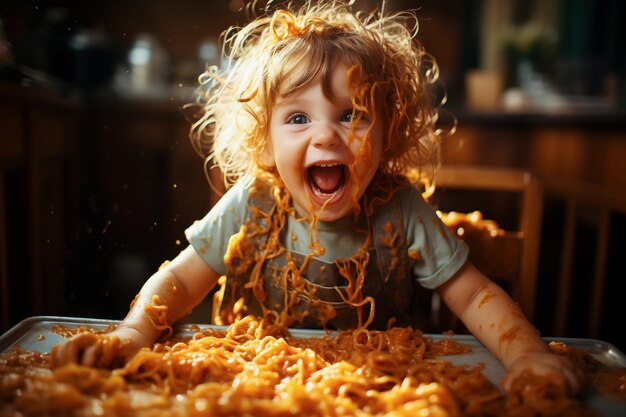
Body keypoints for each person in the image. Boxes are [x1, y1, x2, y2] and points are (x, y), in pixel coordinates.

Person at [52, 0, 583, 395]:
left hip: (385, 390)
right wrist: (134, 330)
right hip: (251, 383)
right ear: (266, 138)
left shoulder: (401, 211)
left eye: (352, 115)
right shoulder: (253, 202)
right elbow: (180, 278)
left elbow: (471, 296)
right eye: (299, 118)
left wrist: (528, 355)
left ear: (387, 132)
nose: (326, 136)